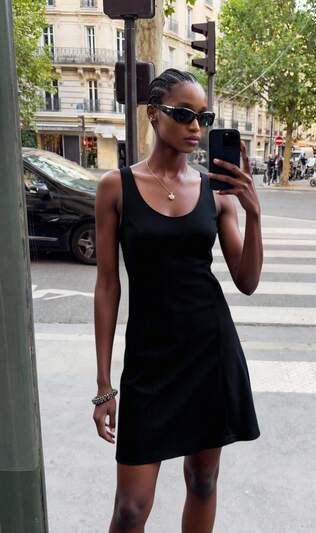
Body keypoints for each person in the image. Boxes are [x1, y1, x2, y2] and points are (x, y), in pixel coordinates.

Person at [93, 68, 262, 533]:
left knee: (203, 480)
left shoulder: (216, 193)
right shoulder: (115, 187)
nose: (195, 127)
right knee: (131, 508)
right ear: (153, 115)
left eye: (203, 118)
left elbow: (247, 281)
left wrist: (253, 213)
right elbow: (107, 286)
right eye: (184, 114)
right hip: (149, 362)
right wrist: (104, 384)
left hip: (210, 353)